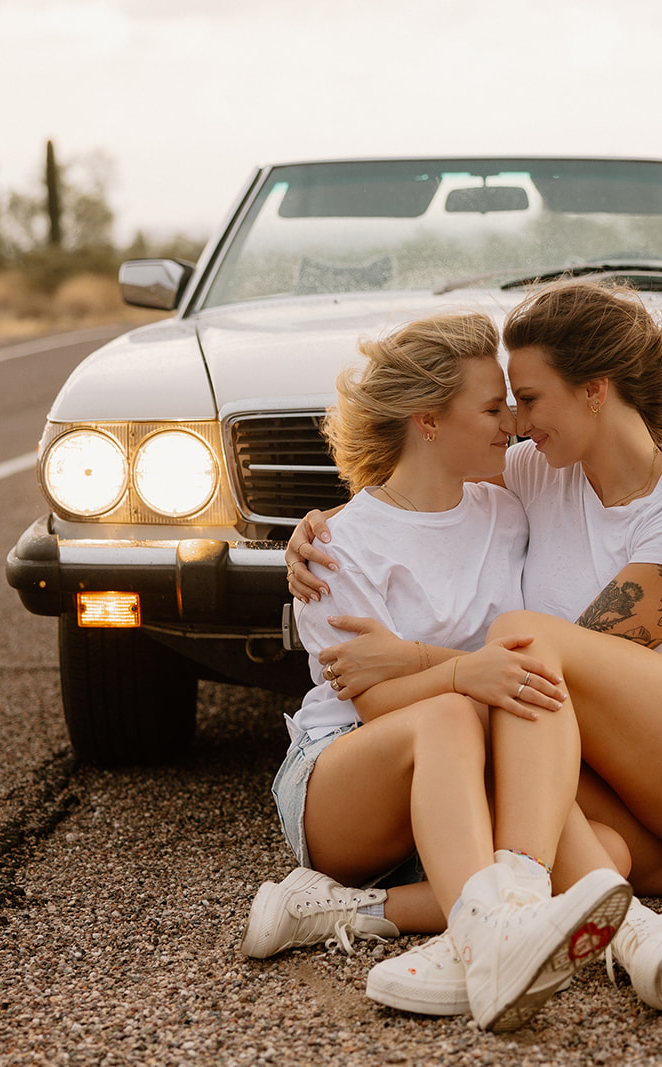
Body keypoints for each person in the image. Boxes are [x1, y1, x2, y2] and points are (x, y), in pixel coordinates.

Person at [286, 279, 662, 1014]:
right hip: (623, 799)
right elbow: (419, 483)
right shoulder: (537, 470)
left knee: (516, 651)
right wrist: (315, 528)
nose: (519, 423)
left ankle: (506, 908)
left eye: (529, 399)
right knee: (582, 827)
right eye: (510, 405)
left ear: (594, 390)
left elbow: (546, 671)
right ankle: (405, 916)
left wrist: (420, 662)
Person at [237, 310, 633, 1033]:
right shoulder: (339, 547)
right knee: (453, 711)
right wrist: (462, 677)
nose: (510, 423)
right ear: (426, 420)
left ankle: (352, 912)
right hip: (347, 783)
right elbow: (375, 703)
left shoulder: (506, 510)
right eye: (490, 407)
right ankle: (490, 945)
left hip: (461, 776)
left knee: (605, 855)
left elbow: (609, 523)